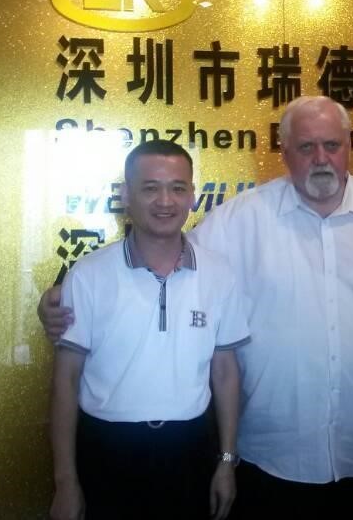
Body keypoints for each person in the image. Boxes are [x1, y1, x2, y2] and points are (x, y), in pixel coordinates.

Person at [40, 96, 353, 519]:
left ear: (349, 145)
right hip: (272, 458)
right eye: (306, 147)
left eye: (332, 145)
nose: (321, 158)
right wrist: (64, 294)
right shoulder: (241, 219)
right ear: (284, 152)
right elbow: (164, 249)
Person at [48, 140, 249, 520]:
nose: (165, 201)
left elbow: (225, 373)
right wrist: (65, 481)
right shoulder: (88, 275)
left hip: (190, 449)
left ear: (192, 195)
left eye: (177, 188)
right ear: (126, 195)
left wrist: (226, 460)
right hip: (106, 450)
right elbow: (66, 380)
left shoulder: (220, 273)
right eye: (150, 188)